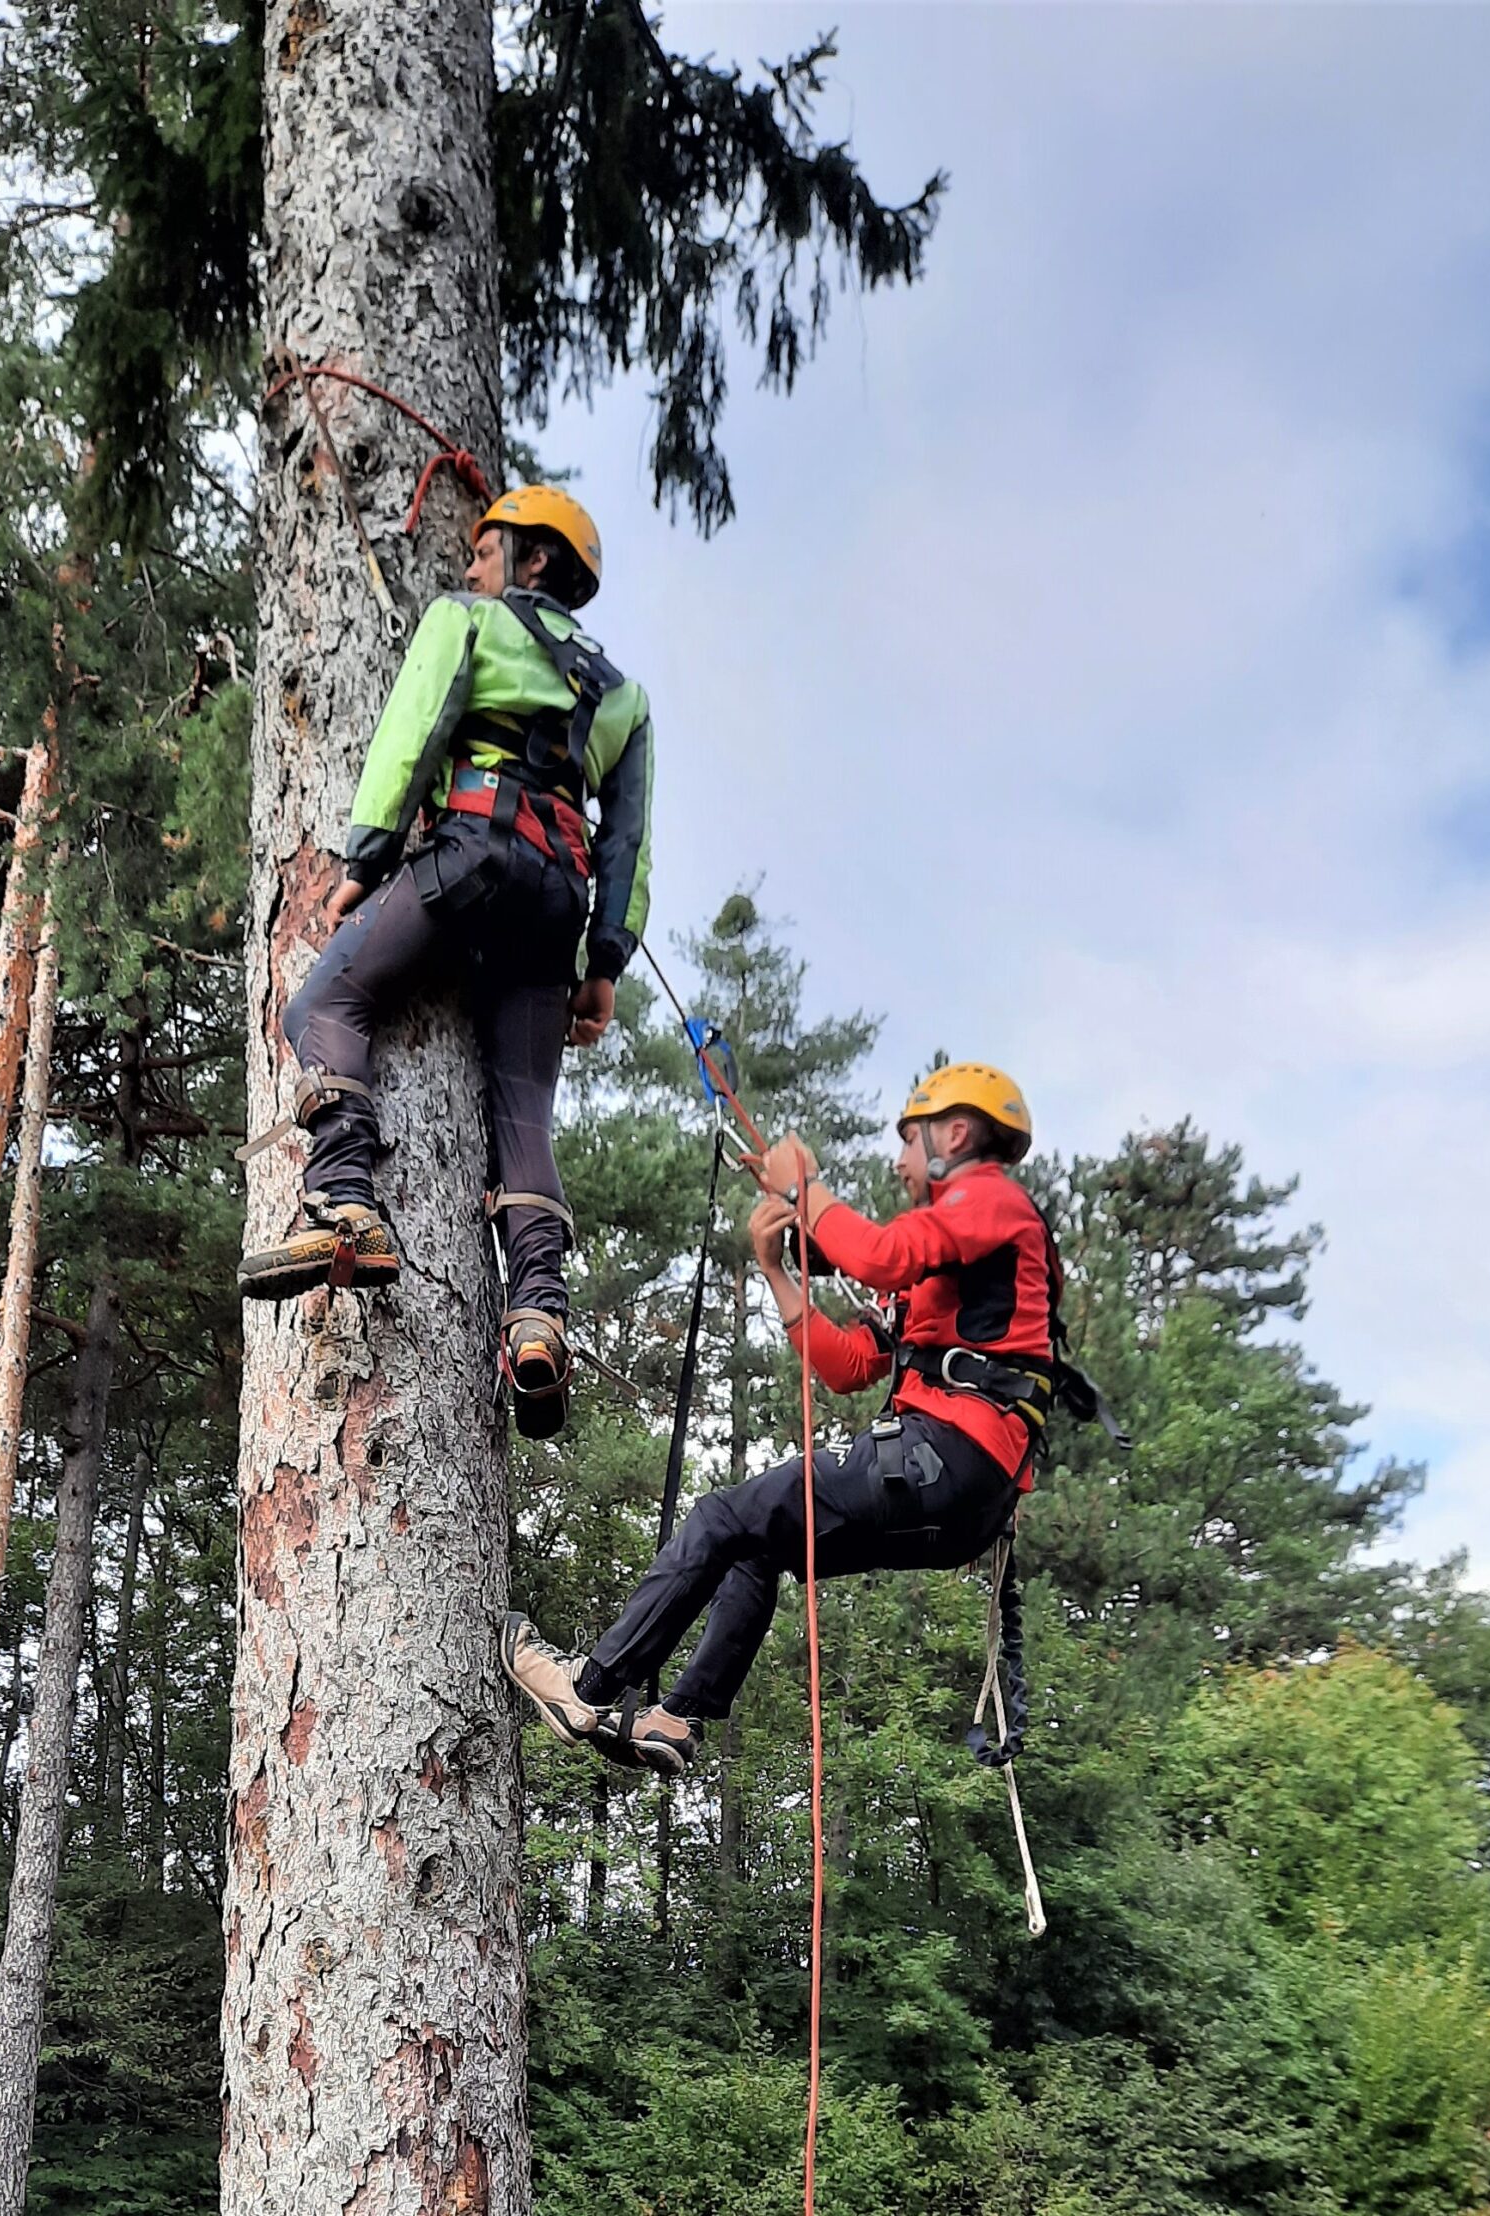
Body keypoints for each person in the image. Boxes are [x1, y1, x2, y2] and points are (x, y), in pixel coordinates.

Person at [238, 486, 656, 1439]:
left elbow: (413, 735)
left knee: (325, 1002)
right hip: (558, 901)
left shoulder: (464, 620)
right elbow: (629, 842)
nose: (469, 566)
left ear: (533, 561)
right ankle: (540, 1314)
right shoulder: (625, 699)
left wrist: (365, 859)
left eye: (485, 549)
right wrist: (606, 964)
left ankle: (346, 1201)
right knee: (522, 1104)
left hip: (471, 858)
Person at [501, 1063, 1055, 1773]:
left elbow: (879, 1257)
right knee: (757, 1541)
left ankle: (588, 1689)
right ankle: (676, 1718)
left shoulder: (990, 1198)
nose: (899, 1161)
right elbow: (850, 1364)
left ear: (955, 1133)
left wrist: (805, 1187)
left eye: (910, 1142)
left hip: (949, 1458)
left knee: (721, 1516)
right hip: (957, 1491)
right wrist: (776, 1268)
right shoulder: (955, 1262)